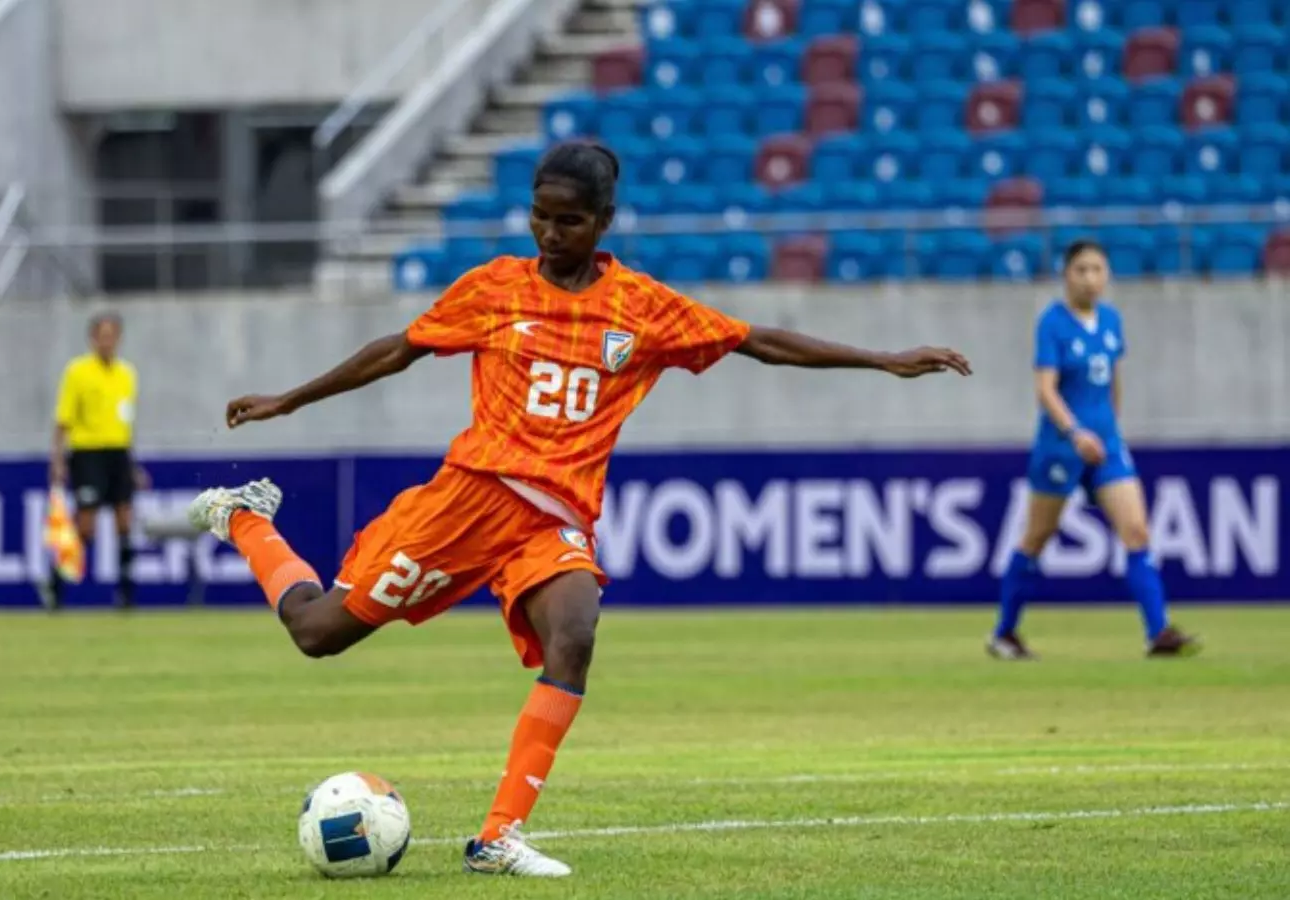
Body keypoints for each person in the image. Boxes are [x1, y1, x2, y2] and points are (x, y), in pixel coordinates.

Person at [186, 142, 971, 877]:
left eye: (569, 220)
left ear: (603, 224)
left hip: (553, 514)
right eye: (540, 216)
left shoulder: (641, 307)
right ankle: (246, 519)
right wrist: (291, 399)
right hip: (469, 500)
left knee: (576, 635)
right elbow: (401, 347)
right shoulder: (495, 288)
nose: (550, 233)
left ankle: (498, 836)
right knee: (317, 633)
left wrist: (883, 360)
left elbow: (756, 341)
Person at [988, 240, 1199, 661]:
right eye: (1081, 270)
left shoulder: (1111, 320)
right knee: (1036, 537)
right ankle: (1004, 633)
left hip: (1107, 447)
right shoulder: (1052, 322)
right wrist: (1075, 433)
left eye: (1097, 269)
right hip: (1061, 448)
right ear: (1066, 275)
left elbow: (1112, 382)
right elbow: (1046, 390)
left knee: (1137, 531)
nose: (1090, 278)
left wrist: (1111, 430)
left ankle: (1158, 632)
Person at [39, 312, 149, 610]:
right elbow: (62, 421)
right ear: (92, 339)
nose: (106, 342)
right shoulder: (78, 372)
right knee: (86, 527)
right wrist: (57, 460)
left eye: (111, 336)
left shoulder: (127, 374)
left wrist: (132, 465)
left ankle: (125, 594)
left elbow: (126, 424)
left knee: (124, 521)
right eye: (102, 336)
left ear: (119, 339)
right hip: (87, 454)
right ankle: (55, 584)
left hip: (118, 454)